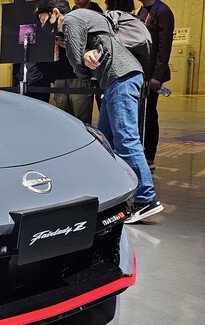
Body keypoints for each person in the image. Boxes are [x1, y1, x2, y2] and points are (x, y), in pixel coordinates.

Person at [62, 0, 164, 223]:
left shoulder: (71, 18)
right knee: (104, 142)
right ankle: (111, 194)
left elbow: (75, 58)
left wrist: (83, 69)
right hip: (119, 77)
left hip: (120, 77)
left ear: (53, 12)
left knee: (126, 138)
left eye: (42, 18)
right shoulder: (92, 18)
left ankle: (145, 199)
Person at [136, 0, 174, 170]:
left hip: (152, 75)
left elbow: (164, 47)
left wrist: (157, 77)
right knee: (138, 115)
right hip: (138, 73)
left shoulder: (163, 11)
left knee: (149, 114)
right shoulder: (140, 11)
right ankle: (139, 152)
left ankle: (149, 156)